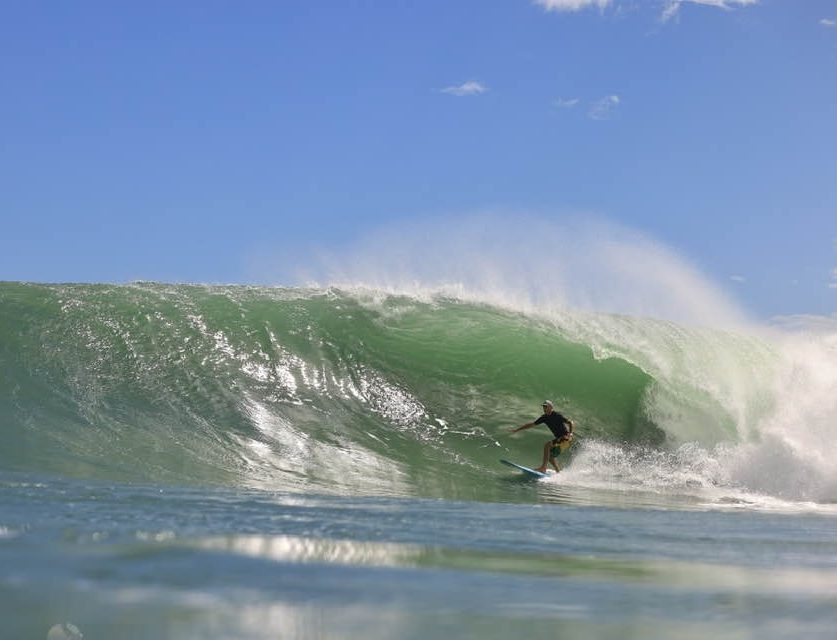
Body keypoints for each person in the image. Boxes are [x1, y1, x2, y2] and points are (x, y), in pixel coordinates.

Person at [509, 400, 574, 473]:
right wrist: (517, 430)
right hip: (560, 440)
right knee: (550, 457)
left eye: (545, 407)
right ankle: (558, 472)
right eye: (543, 407)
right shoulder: (544, 418)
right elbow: (531, 424)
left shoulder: (557, 415)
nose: (544, 408)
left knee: (547, 445)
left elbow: (570, 422)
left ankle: (543, 468)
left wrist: (570, 434)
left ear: (550, 407)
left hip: (565, 438)